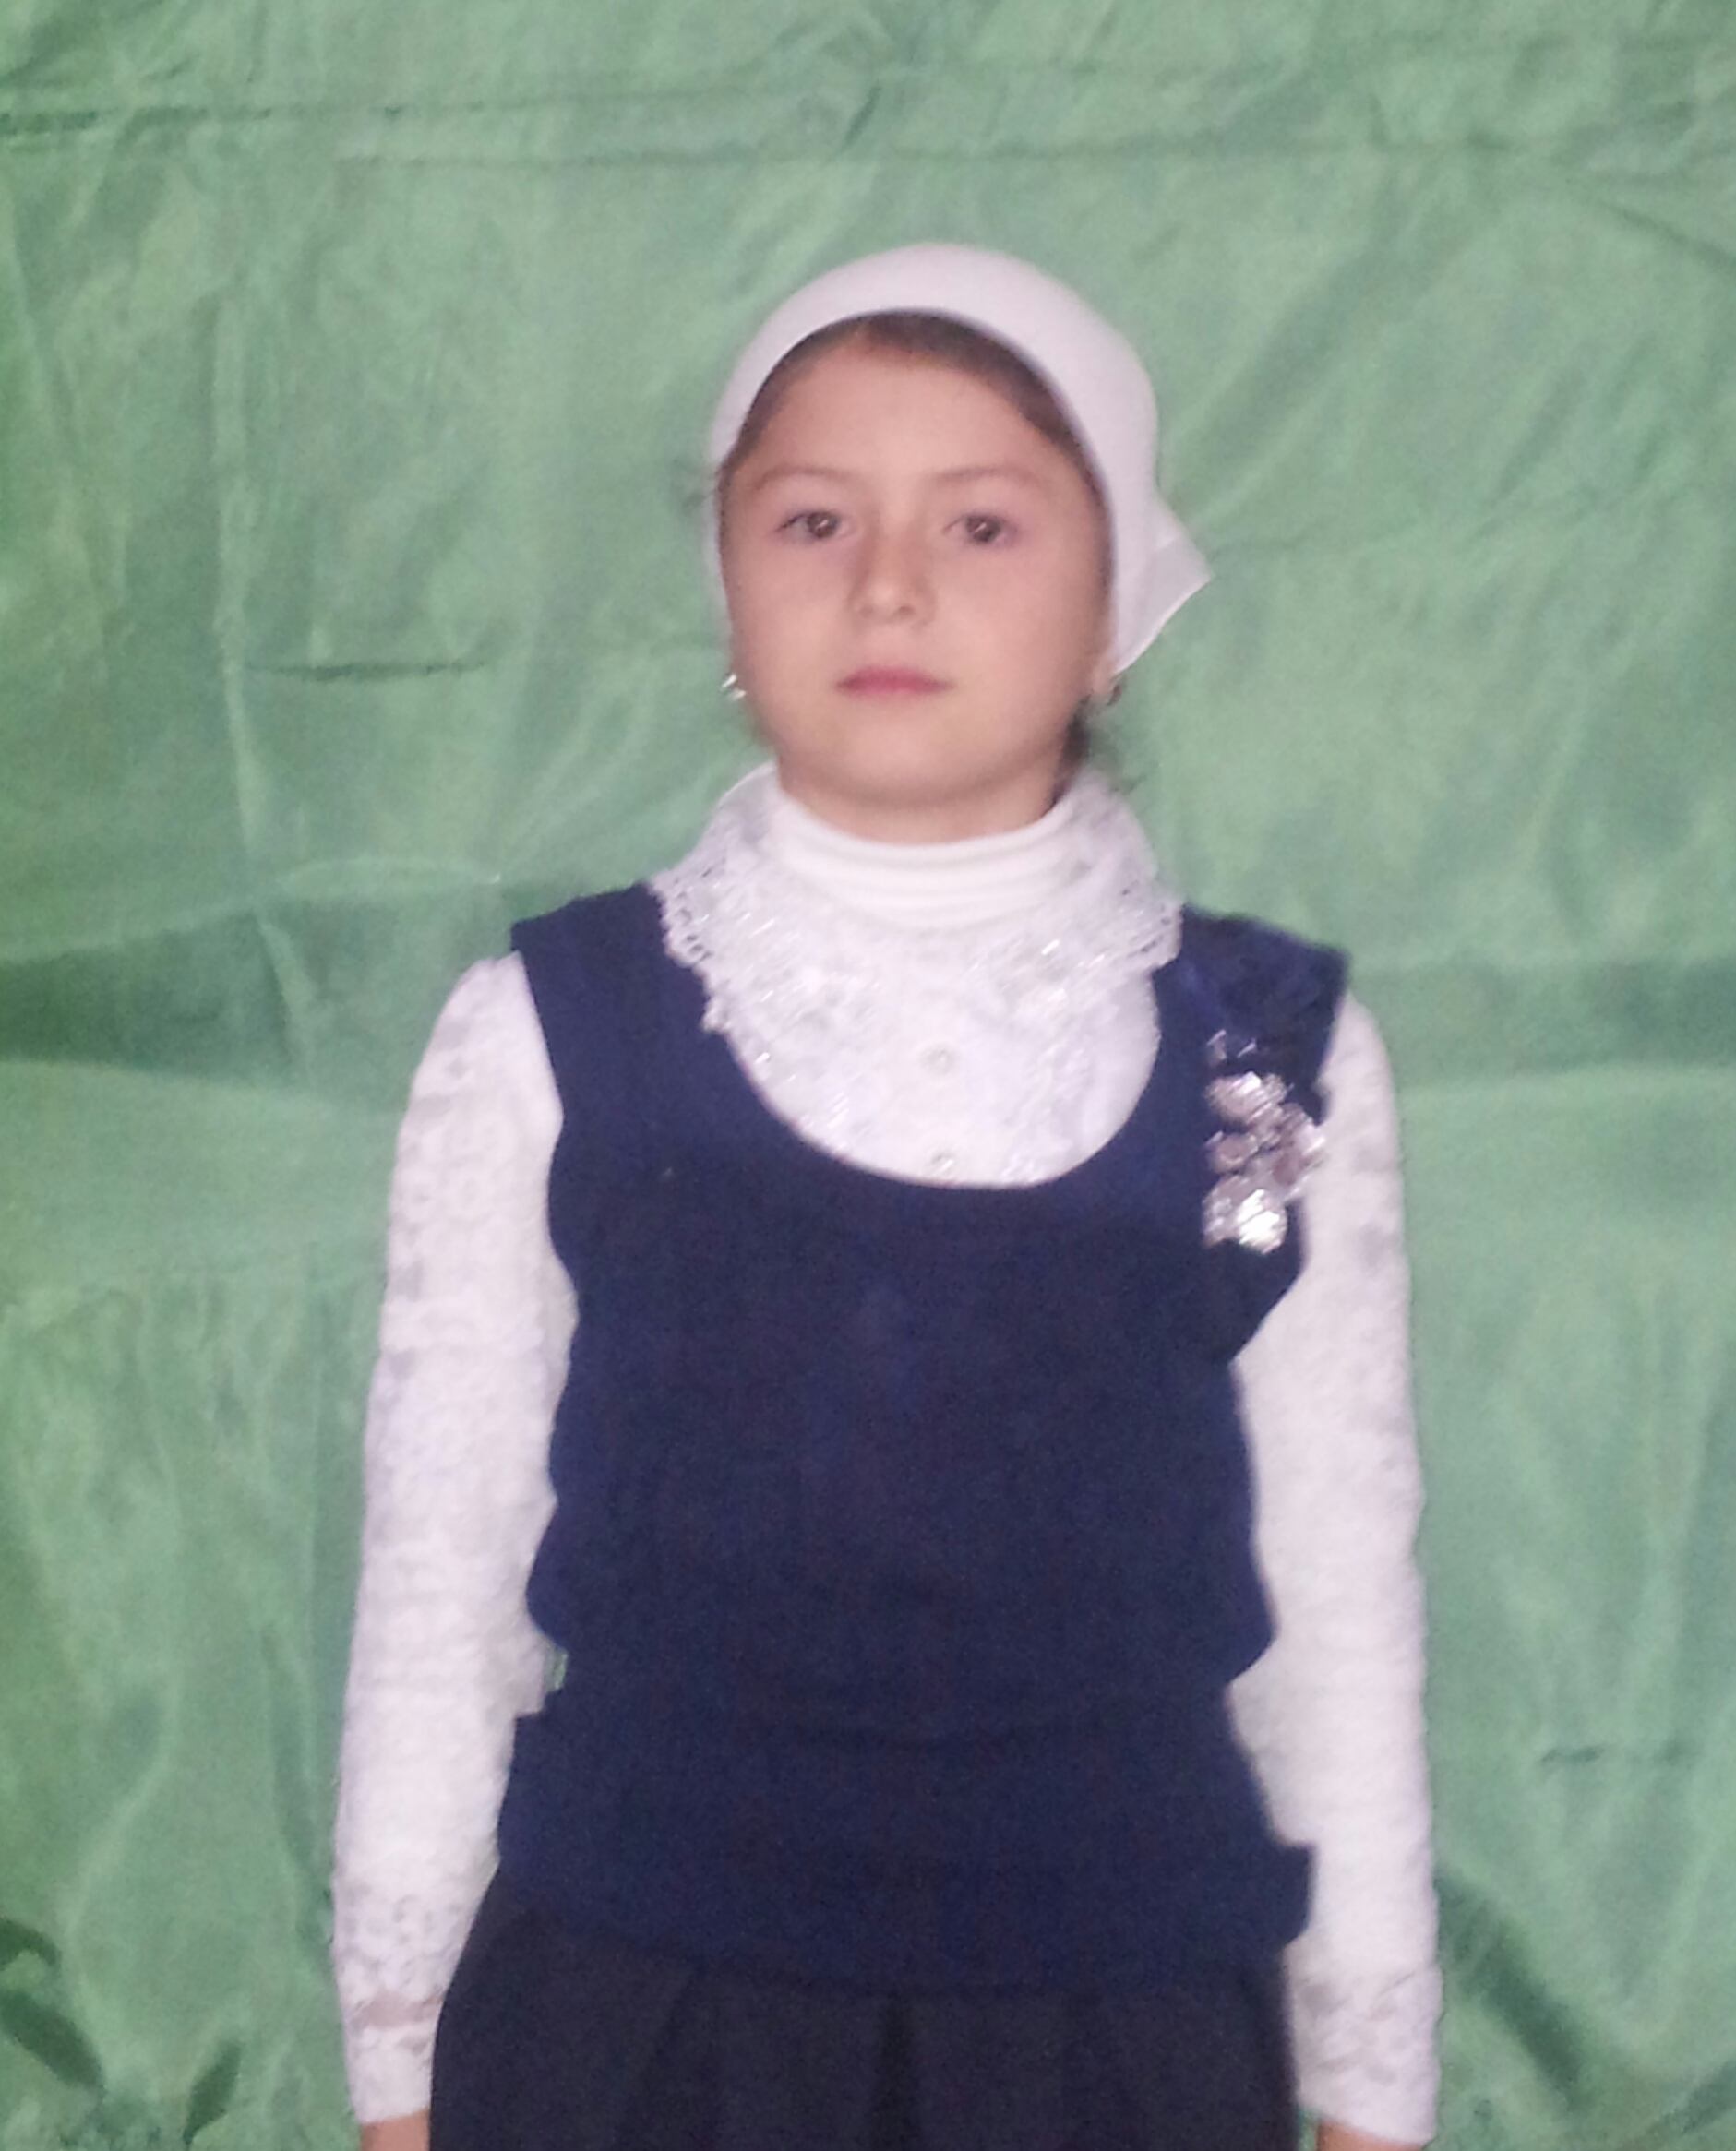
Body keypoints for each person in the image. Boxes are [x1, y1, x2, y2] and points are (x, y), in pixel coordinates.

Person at [333, 245, 1440, 2151]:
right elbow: (440, 1573)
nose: (889, 582)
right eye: (813, 518)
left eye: (984, 523)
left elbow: (1339, 1590)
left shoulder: (1267, 1058)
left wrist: (1368, 2080)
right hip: (640, 2019)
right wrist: (396, 2058)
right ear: (726, 590)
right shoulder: (547, 1033)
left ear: (1112, 611)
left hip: (1123, 2032)